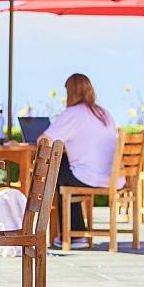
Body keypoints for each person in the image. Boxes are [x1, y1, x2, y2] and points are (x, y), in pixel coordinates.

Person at [42, 73, 121, 249]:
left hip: (88, 176)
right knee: (62, 169)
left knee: (55, 168)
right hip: (110, 177)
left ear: (70, 92)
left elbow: (44, 141)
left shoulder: (72, 113)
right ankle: (73, 231)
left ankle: (73, 234)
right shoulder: (104, 113)